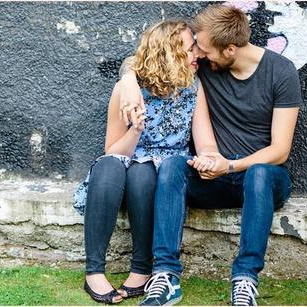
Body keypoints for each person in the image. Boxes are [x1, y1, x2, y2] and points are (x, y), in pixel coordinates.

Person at [117, 4, 302, 306]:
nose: (198, 55)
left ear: (230, 49)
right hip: (211, 176)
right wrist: (127, 80)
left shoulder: (281, 72)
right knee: (173, 164)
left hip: (261, 179)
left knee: (259, 173)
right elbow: (143, 59)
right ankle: (165, 276)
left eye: (203, 49)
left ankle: (244, 280)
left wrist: (228, 165)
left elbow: (280, 151)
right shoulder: (204, 63)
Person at [73, 20, 218, 304]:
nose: (196, 55)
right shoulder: (127, 90)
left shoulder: (193, 87)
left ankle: (141, 270)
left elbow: (206, 142)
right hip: (124, 165)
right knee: (108, 164)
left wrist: (210, 159)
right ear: (168, 53)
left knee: (144, 172)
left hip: (163, 172)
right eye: (189, 50)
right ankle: (94, 271)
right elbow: (113, 150)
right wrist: (136, 130)